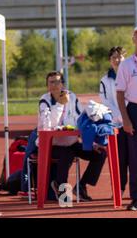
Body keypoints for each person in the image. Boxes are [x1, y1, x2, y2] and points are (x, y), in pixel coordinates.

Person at [38, 71, 107, 202]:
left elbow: (81, 119)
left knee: (100, 154)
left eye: (57, 82)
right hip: (51, 144)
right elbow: (47, 125)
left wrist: (91, 143)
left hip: (71, 142)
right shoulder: (44, 101)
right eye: (51, 82)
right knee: (67, 153)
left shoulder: (72, 97)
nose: (54, 85)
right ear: (47, 86)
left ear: (62, 84)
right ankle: (62, 191)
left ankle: (81, 186)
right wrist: (60, 104)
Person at [116, 25, 137, 211]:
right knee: (136, 157)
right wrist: (125, 119)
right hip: (135, 111)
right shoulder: (126, 65)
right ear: (133, 39)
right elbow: (119, 94)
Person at [99, 46, 128, 196]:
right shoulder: (105, 80)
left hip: (134, 121)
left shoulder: (133, 74)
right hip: (117, 125)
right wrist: (120, 117)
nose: (117, 60)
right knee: (120, 158)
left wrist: (129, 116)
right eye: (113, 58)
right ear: (110, 61)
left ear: (125, 57)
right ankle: (120, 188)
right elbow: (106, 102)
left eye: (119, 57)